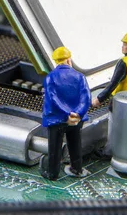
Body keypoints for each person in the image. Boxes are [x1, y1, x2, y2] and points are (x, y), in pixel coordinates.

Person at [91, 32, 127, 156]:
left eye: (125, 45)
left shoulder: (123, 62)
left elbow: (113, 84)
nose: (123, 47)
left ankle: (109, 151)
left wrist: (99, 99)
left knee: (114, 126)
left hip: (119, 100)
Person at [41, 46, 92, 181]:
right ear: (69, 60)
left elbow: (53, 98)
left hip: (56, 119)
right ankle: (77, 169)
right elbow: (86, 98)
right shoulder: (80, 77)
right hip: (76, 119)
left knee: (54, 148)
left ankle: (53, 173)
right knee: (75, 144)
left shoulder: (50, 78)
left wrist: (66, 114)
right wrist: (77, 114)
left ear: (56, 62)